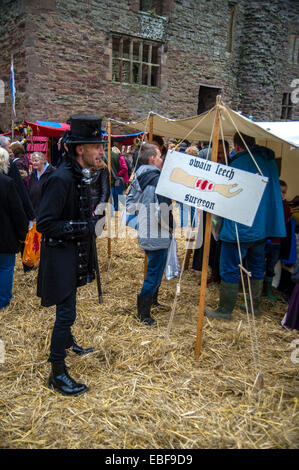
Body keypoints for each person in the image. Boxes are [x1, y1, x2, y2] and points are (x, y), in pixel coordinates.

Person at [36, 114, 105, 396]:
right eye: (97, 146)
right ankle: (57, 372)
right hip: (60, 257)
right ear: (80, 149)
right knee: (66, 313)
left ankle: (67, 341)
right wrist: (85, 227)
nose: (101, 151)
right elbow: (45, 223)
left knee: (71, 307)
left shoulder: (77, 175)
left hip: (73, 254)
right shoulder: (61, 178)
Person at [205, 133, 286, 320]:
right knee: (257, 265)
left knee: (230, 268)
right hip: (262, 228)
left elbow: (226, 198)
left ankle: (225, 310)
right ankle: (253, 306)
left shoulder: (238, 163)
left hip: (238, 228)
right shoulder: (271, 163)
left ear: (238, 146)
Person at [126, 143, 173, 325]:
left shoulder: (139, 176)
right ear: (152, 159)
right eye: (160, 156)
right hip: (157, 234)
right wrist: (169, 227)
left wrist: (142, 213)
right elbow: (162, 211)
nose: (162, 159)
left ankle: (152, 300)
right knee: (154, 271)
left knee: (155, 268)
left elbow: (130, 203)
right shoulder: (157, 180)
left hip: (145, 230)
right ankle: (143, 312)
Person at [0, 148, 28, 309]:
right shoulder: (7, 182)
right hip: (5, 235)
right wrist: (22, 233)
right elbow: (17, 211)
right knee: (5, 268)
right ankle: (3, 302)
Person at [264, 179, 292, 300]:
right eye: (280, 191)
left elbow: (285, 222)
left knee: (271, 266)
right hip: (264, 240)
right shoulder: (268, 204)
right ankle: (256, 290)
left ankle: (268, 290)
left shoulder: (286, 207)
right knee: (259, 265)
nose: (282, 194)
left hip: (277, 242)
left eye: (284, 192)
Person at [90, 154, 110, 236]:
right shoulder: (84, 169)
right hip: (86, 206)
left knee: (94, 233)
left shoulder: (102, 170)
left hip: (96, 205)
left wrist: (98, 211)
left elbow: (105, 192)